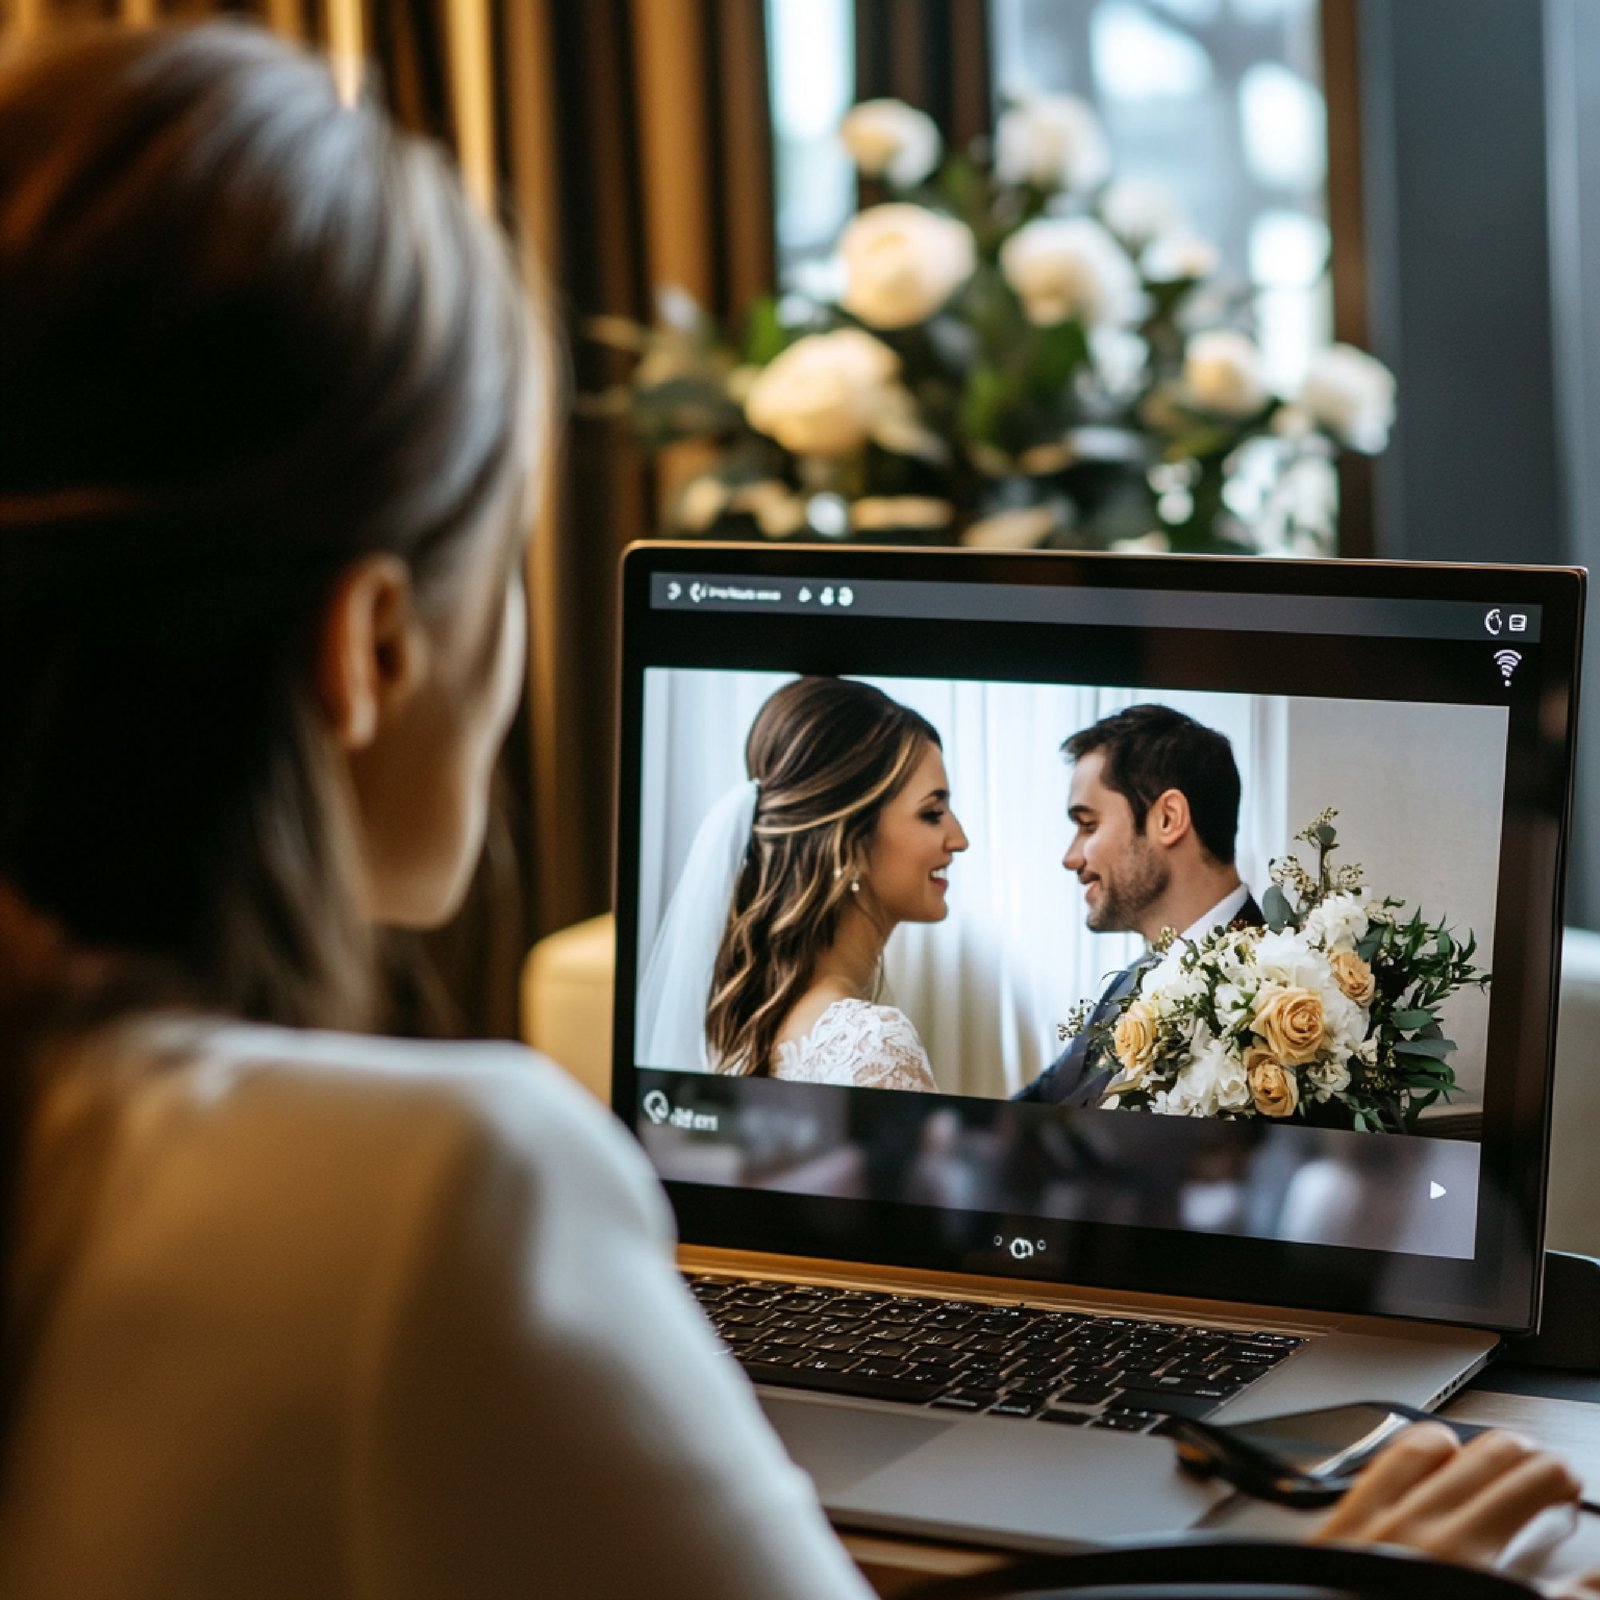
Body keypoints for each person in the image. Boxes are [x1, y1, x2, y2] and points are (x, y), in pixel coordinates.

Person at [0, 23, 1590, 1600]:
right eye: (504, 555)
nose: (1001, 845)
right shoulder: (440, 1195)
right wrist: (1333, 1583)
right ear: (373, 648)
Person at [691, 675, 967, 1089]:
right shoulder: (872, 1043)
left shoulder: (749, 1024)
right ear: (850, 842)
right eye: (931, 814)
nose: (959, 839)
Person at [1017, 704, 1261, 1105]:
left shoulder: (1271, 1002)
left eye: (1089, 825)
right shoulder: (1128, 981)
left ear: (1168, 819)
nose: (1070, 857)